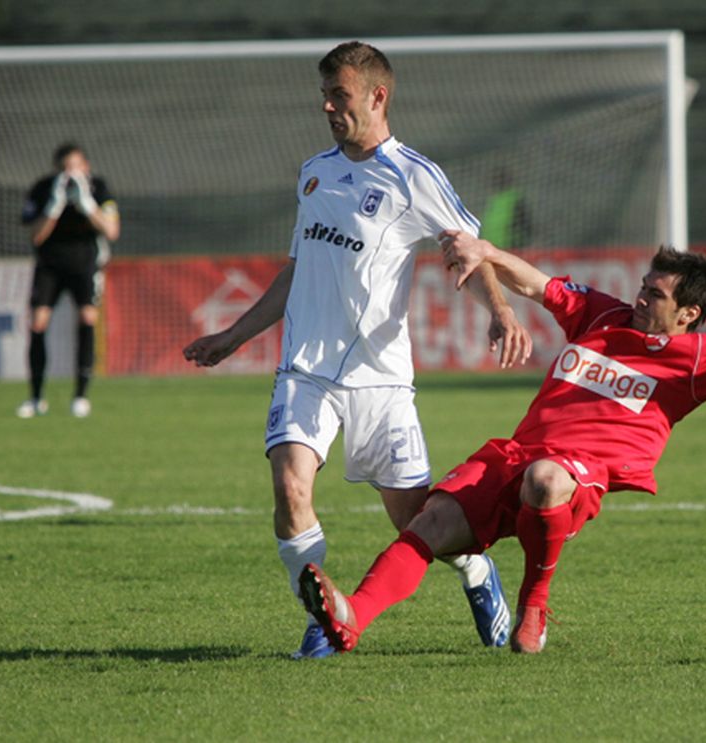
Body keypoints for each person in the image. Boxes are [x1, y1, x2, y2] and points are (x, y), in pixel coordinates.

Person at [298, 238, 706, 654]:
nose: (639, 298)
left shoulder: (701, 360)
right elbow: (536, 284)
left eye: (654, 294)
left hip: (578, 473)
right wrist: (485, 251)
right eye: (643, 287)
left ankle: (535, 600)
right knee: (430, 522)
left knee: (547, 480)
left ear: (689, 314)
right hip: (513, 455)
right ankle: (350, 619)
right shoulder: (603, 314)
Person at [182, 41, 532, 659]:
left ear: (377, 96)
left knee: (419, 524)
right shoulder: (313, 172)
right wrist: (233, 337)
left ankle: (476, 571)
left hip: (382, 379)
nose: (326, 106)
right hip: (305, 371)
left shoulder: (414, 176)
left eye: (338, 95)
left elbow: (469, 252)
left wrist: (501, 312)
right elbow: (299, 268)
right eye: (324, 95)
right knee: (291, 490)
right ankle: (323, 621)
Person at [17, 143, 120, 419]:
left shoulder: (97, 187)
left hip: (85, 265)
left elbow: (111, 230)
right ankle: (36, 397)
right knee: (38, 322)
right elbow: (36, 236)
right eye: (65, 168)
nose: (70, 173)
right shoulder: (44, 188)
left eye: (75, 167)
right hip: (50, 265)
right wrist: (54, 205)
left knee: (87, 318)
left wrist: (87, 205)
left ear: (86, 166)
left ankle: (81, 396)